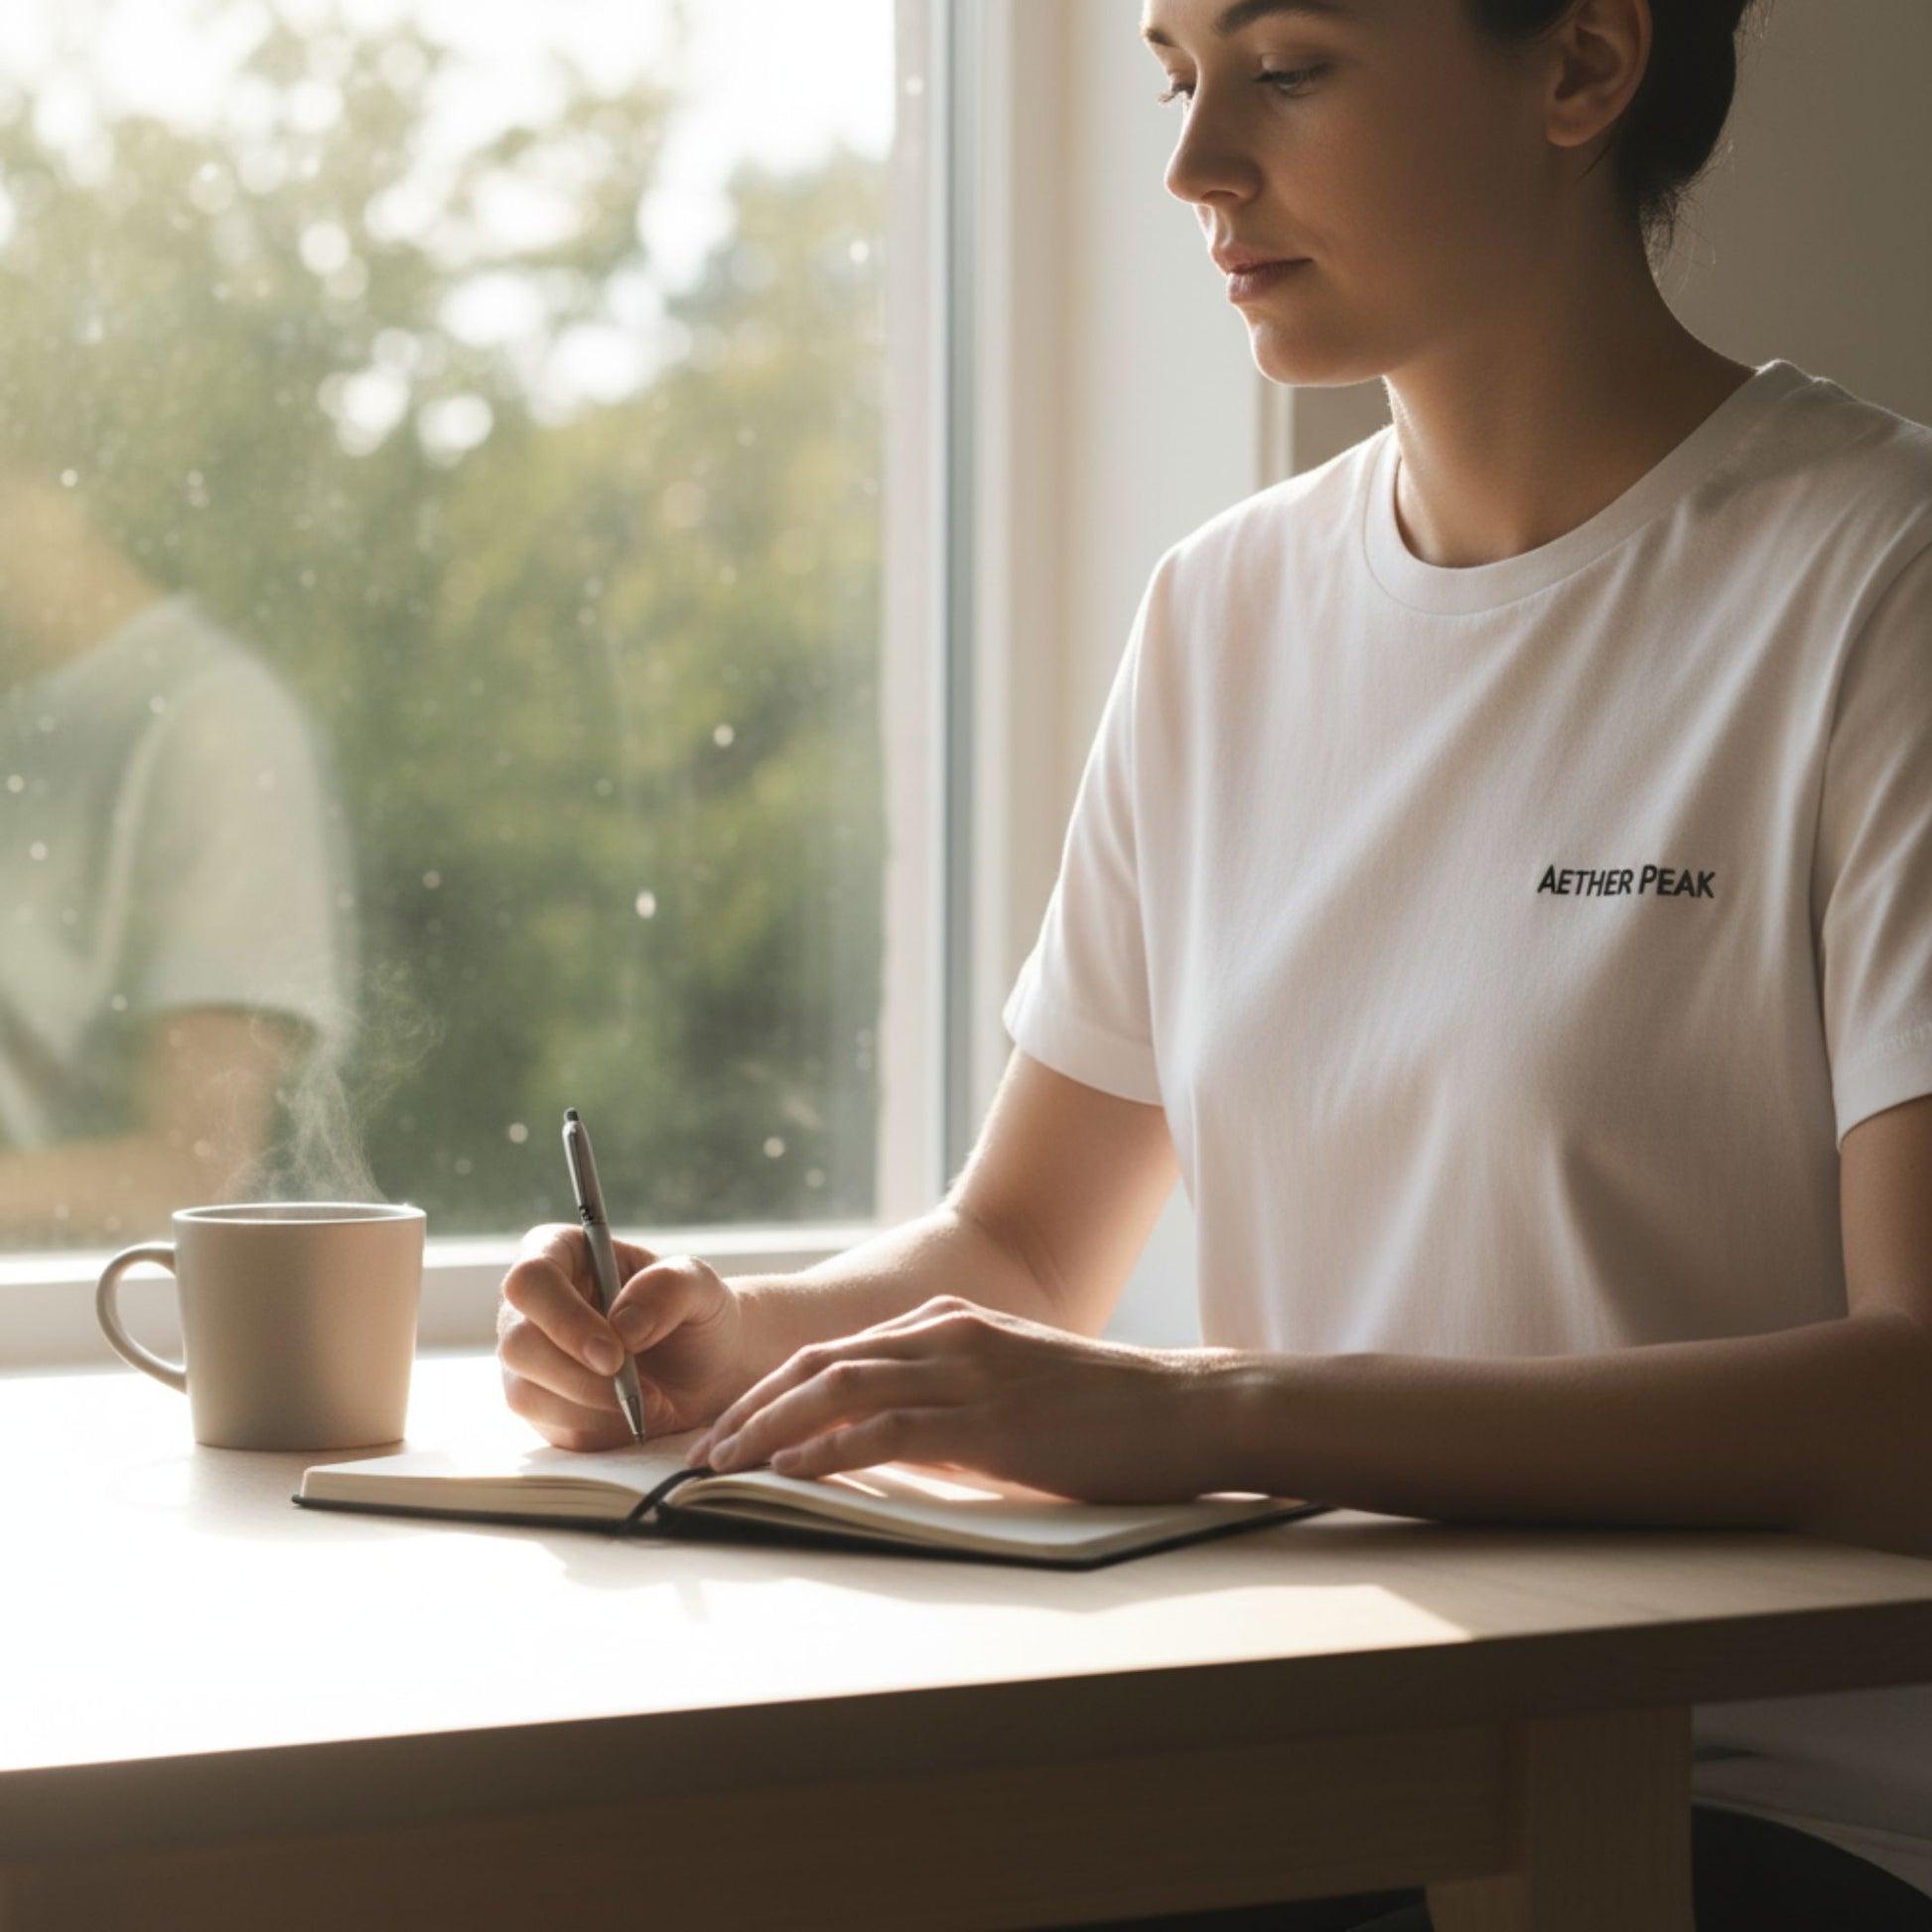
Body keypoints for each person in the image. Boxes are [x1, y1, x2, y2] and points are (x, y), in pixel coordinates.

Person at [495, 0, 1932, 1921]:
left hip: (1743, 1813)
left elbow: (1913, 1408)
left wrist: (1211, 1408)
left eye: (1293, 66)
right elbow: (1019, 1250)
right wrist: (726, 1344)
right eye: (1179, 78)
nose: (1194, 168)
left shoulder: (1875, 583)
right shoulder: (1224, 611)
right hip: (1326, 1765)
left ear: (1586, 67)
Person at [0, 461, 355, 1245]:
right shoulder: (23, 711)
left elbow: (197, 1175)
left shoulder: (215, 727)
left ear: (47, 486)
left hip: (70, 1334)